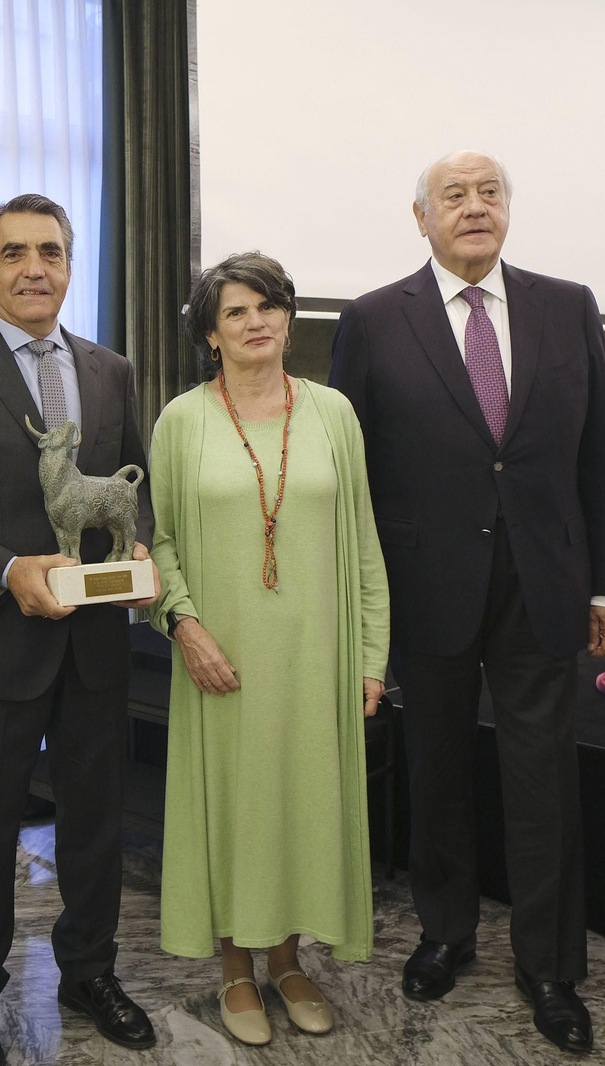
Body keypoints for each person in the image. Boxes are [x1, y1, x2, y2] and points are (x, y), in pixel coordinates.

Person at [329, 150, 605, 1054]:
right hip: (426, 587)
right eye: (453, 196)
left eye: (489, 193)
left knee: (546, 782)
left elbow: (600, 457)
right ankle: (446, 933)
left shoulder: (568, 305)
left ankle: (551, 969)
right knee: (439, 770)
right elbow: (356, 475)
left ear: (509, 211)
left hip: (546, 583)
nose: (474, 208)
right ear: (419, 216)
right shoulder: (377, 319)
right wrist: (363, 602)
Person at [0, 193, 158, 1066]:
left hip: (92, 648)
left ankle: (89, 969)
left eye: (49, 252)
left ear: (68, 266)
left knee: (94, 824)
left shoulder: (111, 371)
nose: (34, 268)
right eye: (14, 254)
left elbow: (136, 493)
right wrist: (9, 573)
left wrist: (141, 561)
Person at [146, 252, 388, 1046]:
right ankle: (234, 971)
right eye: (237, 312)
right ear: (210, 335)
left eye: (269, 307)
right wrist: (185, 625)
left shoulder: (334, 414)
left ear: (289, 318)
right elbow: (162, 542)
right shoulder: (182, 420)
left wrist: (370, 656)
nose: (256, 322)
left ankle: (287, 962)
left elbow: (364, 544)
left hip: (317, 656)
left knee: (301, 805)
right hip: (223, 658)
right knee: (235, 806)